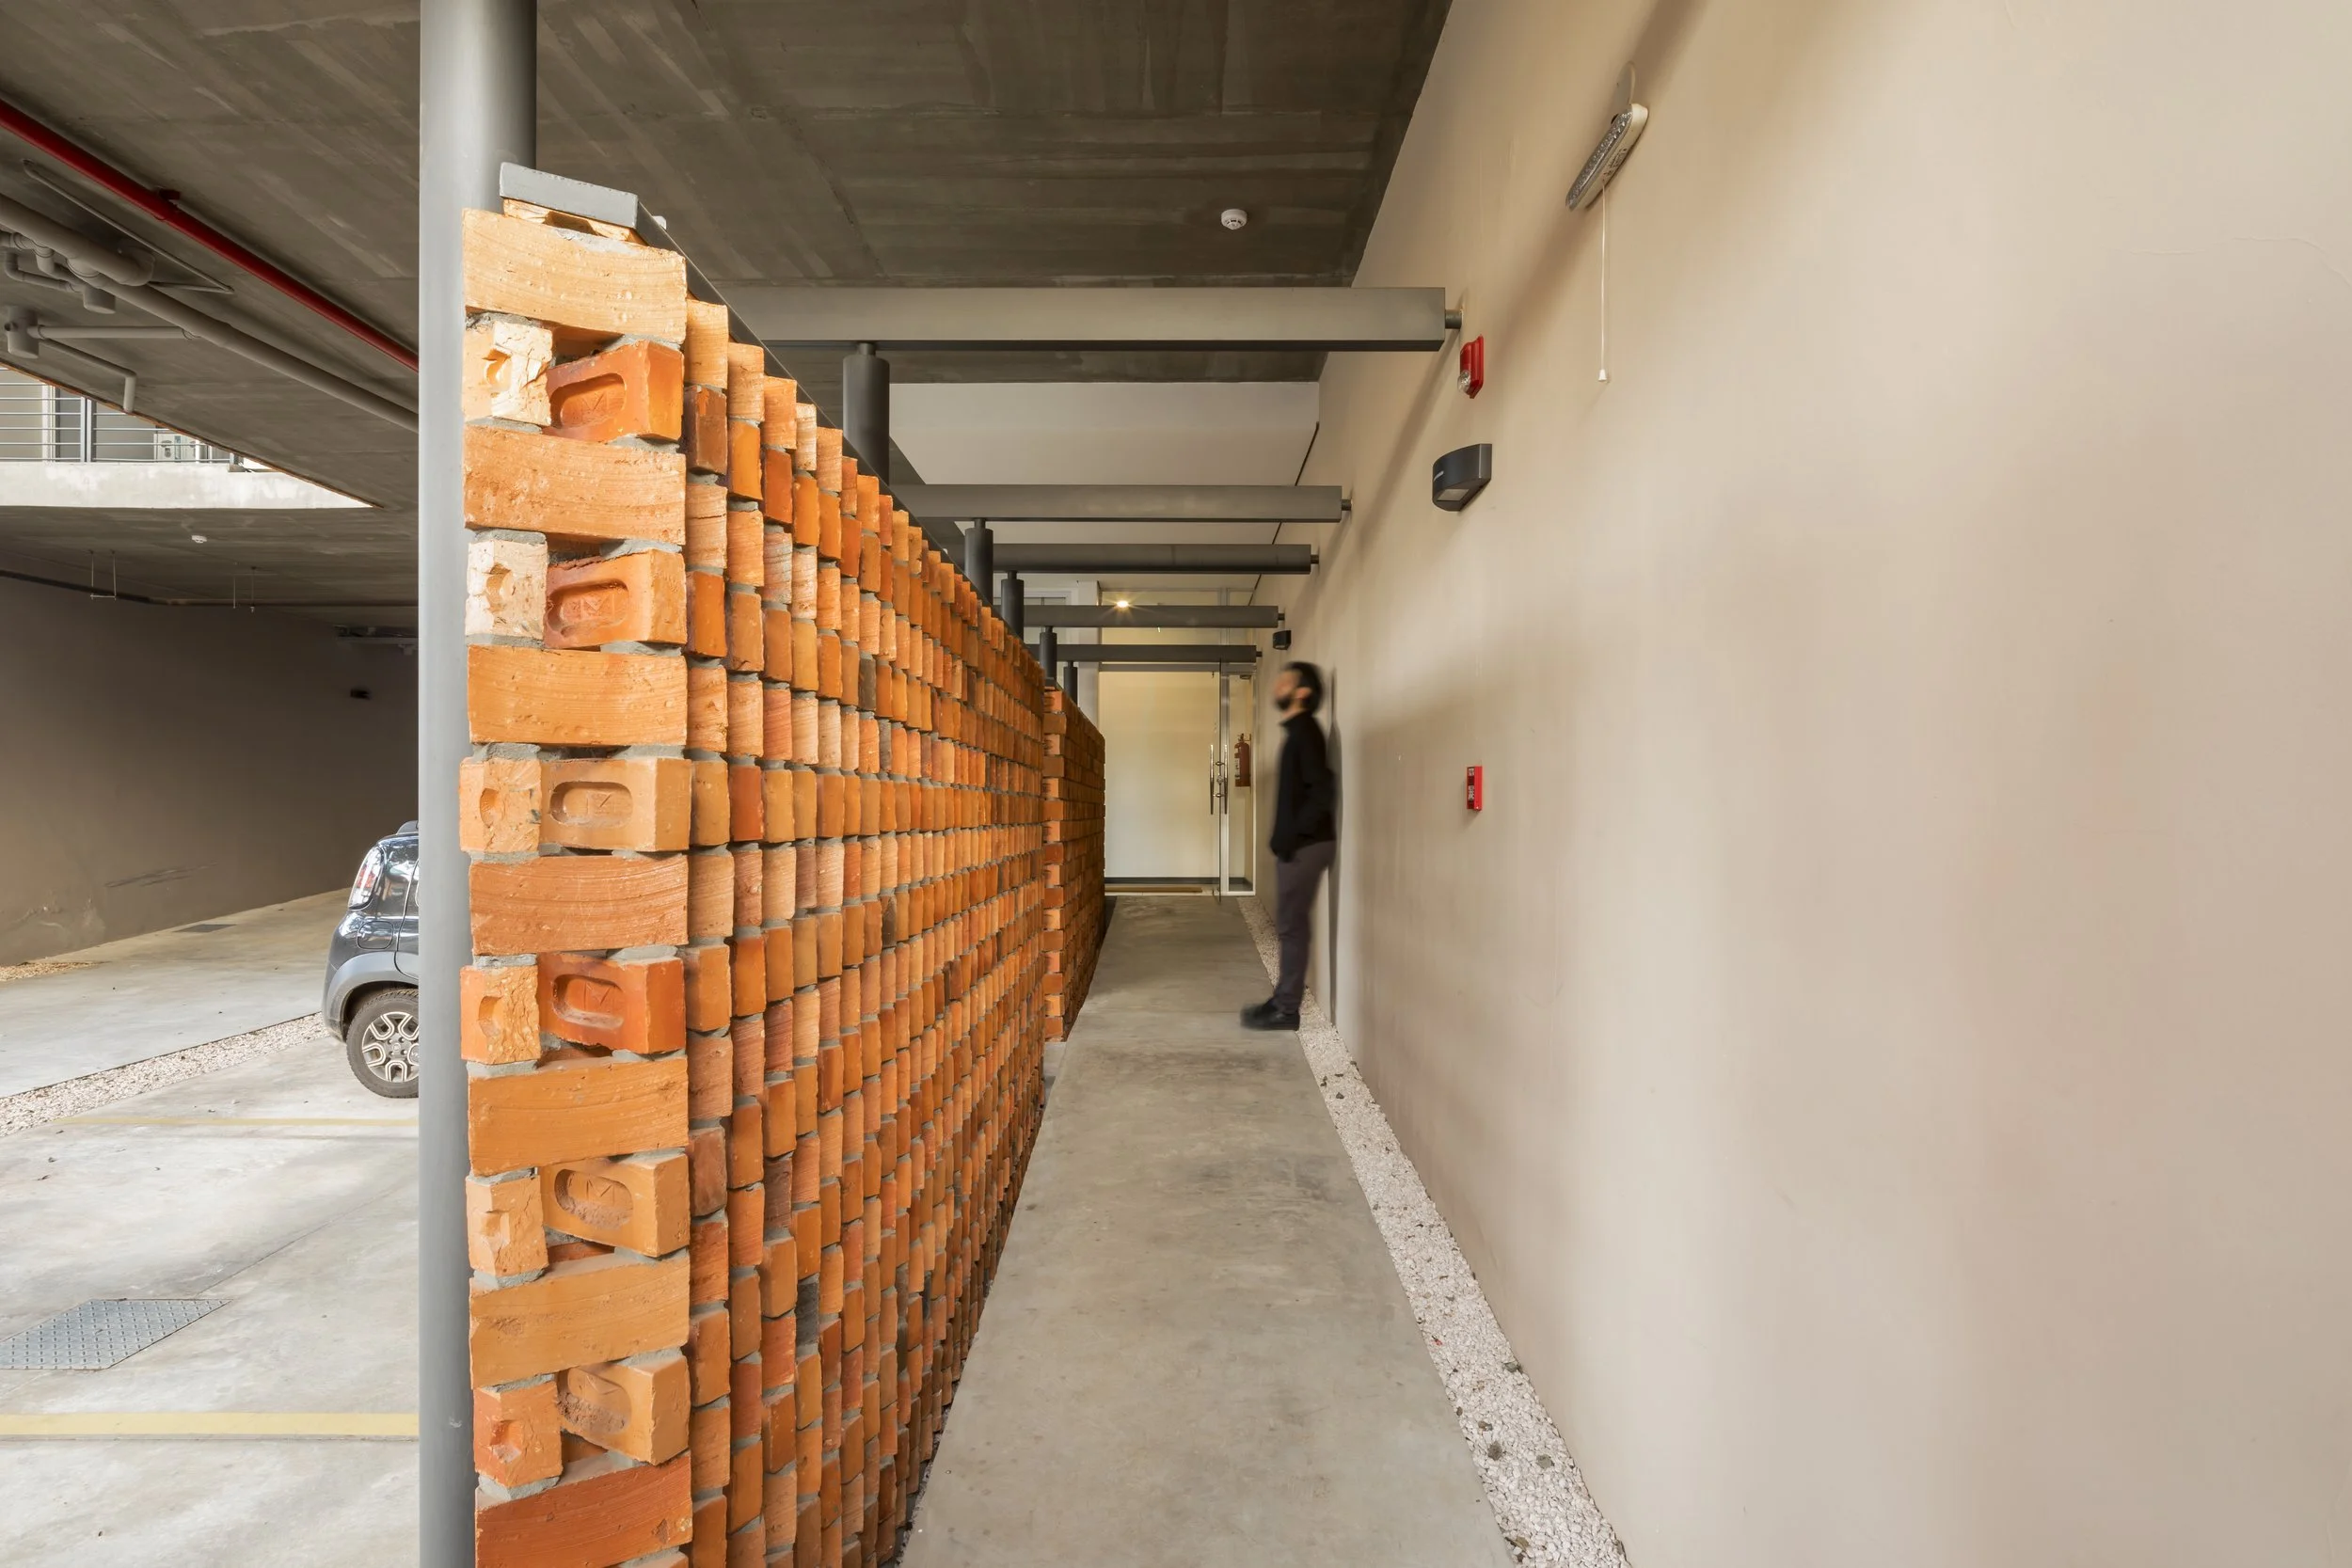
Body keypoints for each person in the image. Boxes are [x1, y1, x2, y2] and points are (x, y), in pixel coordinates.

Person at [1243, 660, 1337, 1030]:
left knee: (1292, 927)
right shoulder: (1299, 733)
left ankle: (1286, 1009)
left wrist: (1293, 838)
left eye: (1285, 681)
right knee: (1290, 926)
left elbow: (1322, 790)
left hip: (1306, 847)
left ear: (1302, 693)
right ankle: (1283, 1000)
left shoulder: (1306, 733)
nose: (1276, 685)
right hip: (1302, 845)